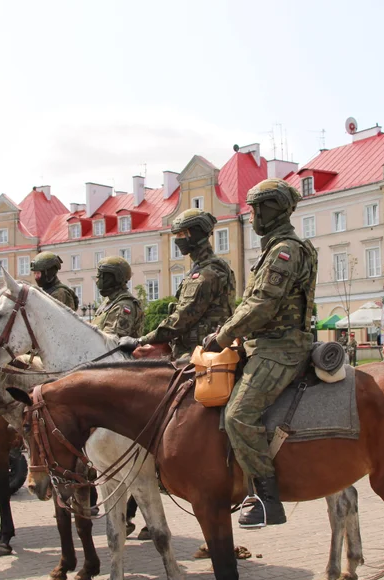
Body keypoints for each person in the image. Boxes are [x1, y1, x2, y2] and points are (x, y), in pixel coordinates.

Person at [202, 178, 314, 529]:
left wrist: (222, 337)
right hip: (263, 345)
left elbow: (263, 305)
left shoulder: (286, 250)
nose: (251, 216)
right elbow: (251, 303)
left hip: (281, 348)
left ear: (274, 209)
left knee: (238, 415)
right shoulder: (274, 249)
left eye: (256, 208)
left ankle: (269, 499)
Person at [136, 210, 235, 359]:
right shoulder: (201, 268)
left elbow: (184, 316)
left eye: (181, 234)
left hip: (200, 354)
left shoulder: (208, 272)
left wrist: (142, 340)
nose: (177, 240)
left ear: (194, 234)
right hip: (195, 351)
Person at [92, 256, 143, 337]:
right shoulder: (109, 301)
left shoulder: (124, 305)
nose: (98, 279)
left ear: (116, 277)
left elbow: (111, 342)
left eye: (101, 275)